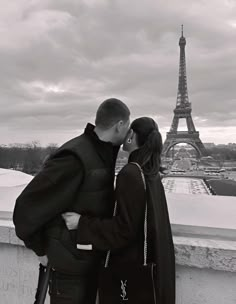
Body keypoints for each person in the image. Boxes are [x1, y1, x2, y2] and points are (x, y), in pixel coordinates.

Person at [13, 98, 130, 304]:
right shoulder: (75, 157)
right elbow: (26, 206)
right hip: (69, 271)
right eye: (127, 125)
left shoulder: (99, 153)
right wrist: (40, 250)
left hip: (87, 263)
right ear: (120, 125)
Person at [63, 117, 176, 304]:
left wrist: (81, 223)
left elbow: (124, 229)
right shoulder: (151, 172)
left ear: (131, 135)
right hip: (154, 273)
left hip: (128, 275)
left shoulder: (131, 173)